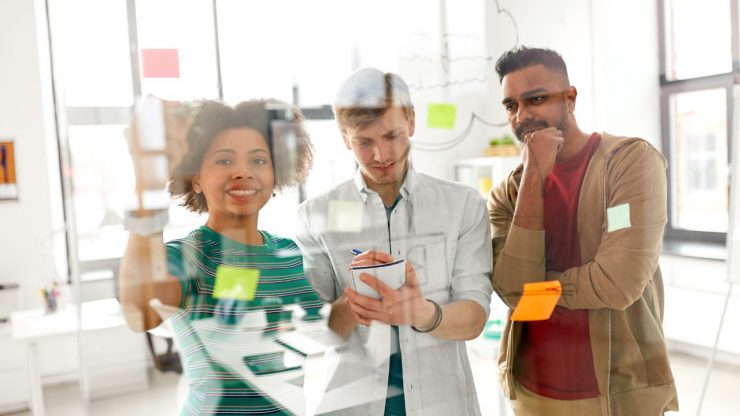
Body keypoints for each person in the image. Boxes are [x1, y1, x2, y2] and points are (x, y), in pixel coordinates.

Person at [488, 46, 679, 415]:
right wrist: (532, 179)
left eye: (536, 99)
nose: (522, 115)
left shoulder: (630, 163)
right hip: (532, 393)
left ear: (570, 98)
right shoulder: (508, 193)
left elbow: (617, 283)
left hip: (619, 391)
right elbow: (513, 294)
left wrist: (537, 293)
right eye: (511, 105)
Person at [294, 67, 493, 415]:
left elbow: (475, 317)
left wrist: (423, 313)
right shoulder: (316, 215)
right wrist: (350, 306)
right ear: (344, 138)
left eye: (392, 136)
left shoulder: (463, 205)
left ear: (412, 122)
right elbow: (313, 333)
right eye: (364, 142)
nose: (380, 155)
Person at [118, 98, 322, 415]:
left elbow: (318, 331)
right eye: (224, 161)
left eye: (258, 161)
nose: (242, 171)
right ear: (196, 177)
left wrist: (357, 302)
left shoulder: (288, 251)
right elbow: (142, 313)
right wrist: (148, 182)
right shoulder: (188, 255)